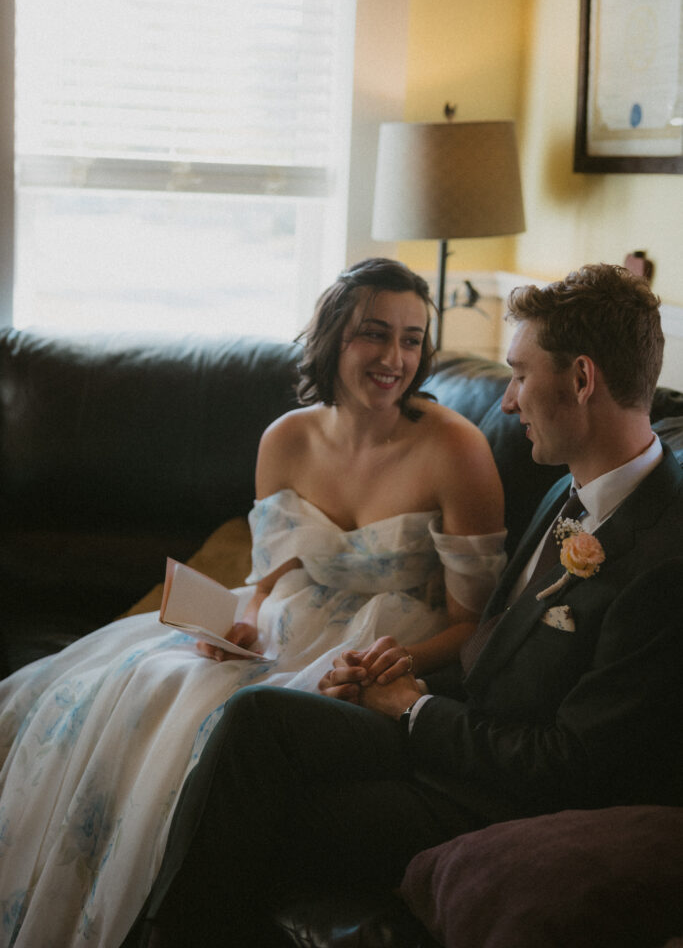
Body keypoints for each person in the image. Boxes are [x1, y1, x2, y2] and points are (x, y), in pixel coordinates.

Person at [123, 263, 683, 948]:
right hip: (462, 727)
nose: (507, 403)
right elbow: (494, 640)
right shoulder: (568, 490)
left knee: (265, 806)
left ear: (581, 379)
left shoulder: (664, 555)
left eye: (518, 374)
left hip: (500, 796)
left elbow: (567, 765)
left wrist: (414, 709)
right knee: (254, 717)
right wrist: (387, 675)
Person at [0, 258, 506, 948]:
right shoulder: (286, 438)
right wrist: (238, 623)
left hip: (376, 647)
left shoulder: (455, 448)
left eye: (412, 339)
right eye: (374, 334)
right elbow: (268, 578)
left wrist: (381, 666)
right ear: (333, 336)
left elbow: (472, 624)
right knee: (137, 684)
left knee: (211, 727)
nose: (394, 358)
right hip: (277, 628)